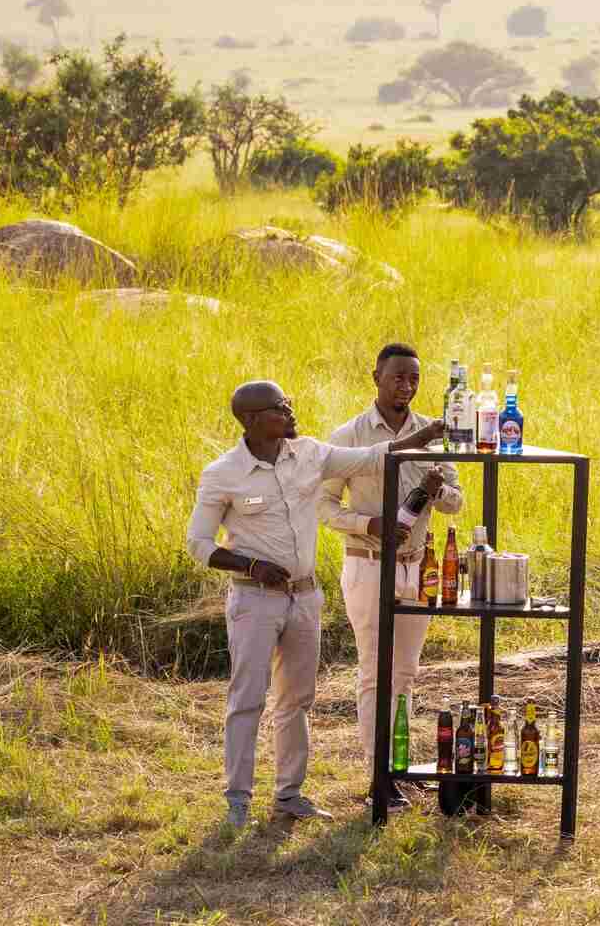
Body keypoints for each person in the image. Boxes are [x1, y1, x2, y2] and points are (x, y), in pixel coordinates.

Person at [186, 380, 443, 828]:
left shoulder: (309, 453)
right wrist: (250, 565)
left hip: (304, 598)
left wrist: (422, 437)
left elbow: (371, 456)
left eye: (288, 403)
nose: (290, 411)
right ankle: (237, 802)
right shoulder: (223, 473)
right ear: (251, 420)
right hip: (255, 600)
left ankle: (289, 795)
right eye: (279, 407)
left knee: (297, 700)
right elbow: (198, 544)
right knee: (248, 699)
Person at [319, 343, 463, 810]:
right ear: (376, 376)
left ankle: (397, 764)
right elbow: (322, 506)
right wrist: (368, 524)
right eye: (398, 377)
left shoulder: (431, 432)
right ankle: (377, 776)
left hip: (417, 569)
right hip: (367, 564)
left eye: (414, 379)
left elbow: (457, 499)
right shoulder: (350, 435)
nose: (406, 386)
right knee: (374, 671)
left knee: (405, 673)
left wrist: (440, 493)